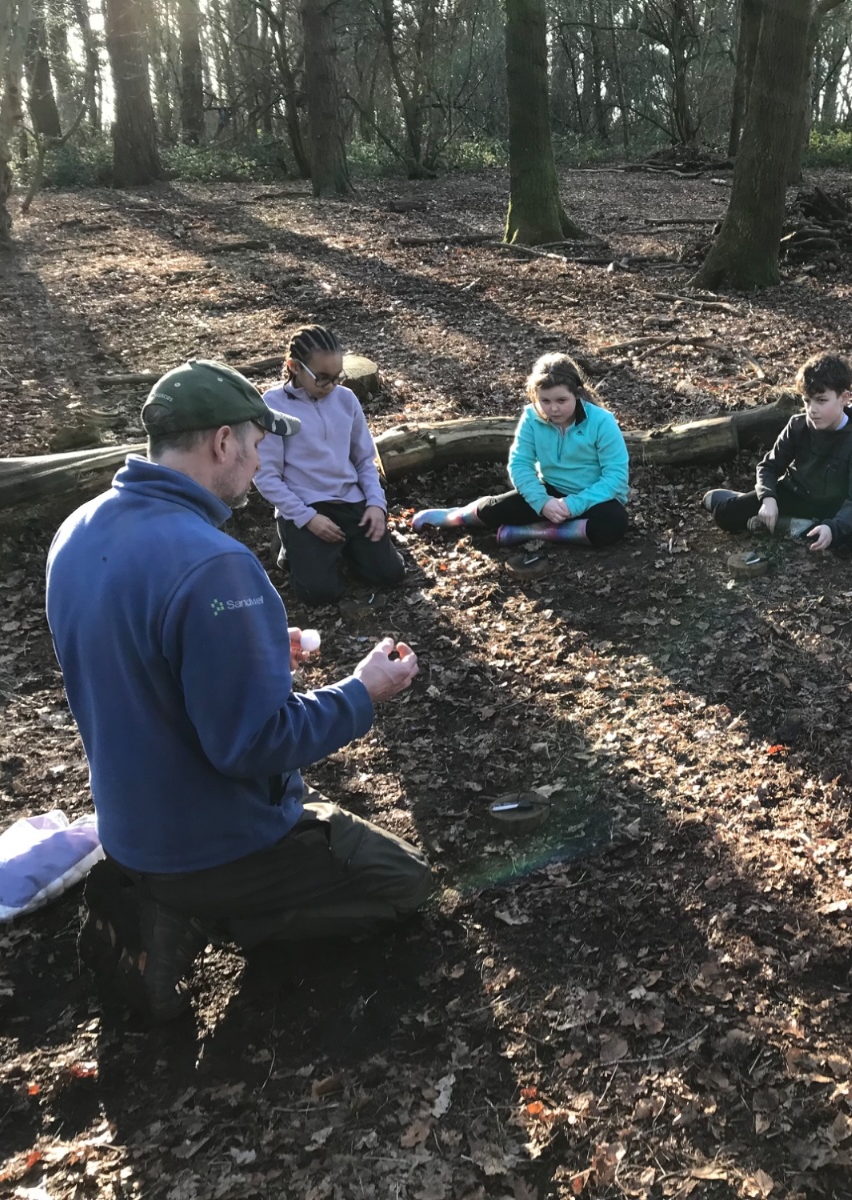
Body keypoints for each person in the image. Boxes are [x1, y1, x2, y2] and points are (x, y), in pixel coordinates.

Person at [46, 361, 432, 1023]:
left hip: (130, 824)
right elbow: (255, 744)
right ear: (223, 442)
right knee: (406, 885)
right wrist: (363, 692)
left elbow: (138, 655)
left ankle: (163, 887)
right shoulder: (215, 563)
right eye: (256, 445)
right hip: (213, 841)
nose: (258, 463)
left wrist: (248, 646)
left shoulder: (79, 529)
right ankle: (198, 913)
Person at [254, 325, 407, 605]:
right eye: (322, 378)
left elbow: (364, 459)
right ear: (294, 367)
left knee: (390, 574)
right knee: (319, 593)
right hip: (305, 505)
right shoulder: (272, 406)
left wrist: (376, 503)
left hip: (350, 500)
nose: (332, 386)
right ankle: (289, 545)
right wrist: (307, 518)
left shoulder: (346, 399)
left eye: (337, 377)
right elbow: (266, 476)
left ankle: (345, 549)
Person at [410, 353, 629, 547]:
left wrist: (572, 505)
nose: (553, 408)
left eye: (562, 400)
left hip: (593, 498)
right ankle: (458, 516)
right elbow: (520, 463)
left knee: (613, 524)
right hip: (549, 492)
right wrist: (543, 502)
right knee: (495, 509)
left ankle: (528, 532)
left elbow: (616, 477)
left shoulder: (602, 421)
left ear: (578, 394)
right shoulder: (532, 417)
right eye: (545, 401)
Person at [701, 353, 852, 554]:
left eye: (821, 400)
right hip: (792, 494)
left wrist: (832, 527)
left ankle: (787, 524)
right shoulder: (798, 425)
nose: (812, 410)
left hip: (830, 508)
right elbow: (769, 466)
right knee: (723, 515)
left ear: (844, 398)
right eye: (807, 401)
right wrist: (768, 498)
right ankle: (781, 520)